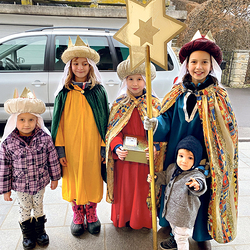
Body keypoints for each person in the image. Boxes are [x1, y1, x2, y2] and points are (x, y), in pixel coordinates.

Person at [144, 31, 238, 249]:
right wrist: (156, 124)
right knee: (177, 190)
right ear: (187, 65)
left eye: (204, 62)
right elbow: (166, 117)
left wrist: (219, 153)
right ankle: (176, 231)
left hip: (205, 156)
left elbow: (227, 131)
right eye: (194, 62)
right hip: (177, 154)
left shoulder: (219, 96)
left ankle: (201, 234)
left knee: (200, 191)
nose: (198, 67)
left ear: (212, 65)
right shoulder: (177, 92)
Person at [51, 36, 109, 237]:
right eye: (76, 63)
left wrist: (103, 147)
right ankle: (77, 214)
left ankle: (92, 213)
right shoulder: (64, 94)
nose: (80, 67)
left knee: (92, 178)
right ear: (70, 67)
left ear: (91, 66)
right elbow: (58, 125)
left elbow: (105, 122)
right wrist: (60, 150)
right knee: (74, 179)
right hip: (71, 148)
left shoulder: (98, 92)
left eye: (85, 64)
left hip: (93, 147)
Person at [105, 57, 165, 230]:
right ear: (125, 80)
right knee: (126, 190)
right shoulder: (119, 103)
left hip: (145, 159)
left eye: (139, 78)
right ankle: (123, 218)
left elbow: (162, 133)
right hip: (125, 159)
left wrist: (155, 148)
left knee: (142, 190)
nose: (135, 83)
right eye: (130, 79)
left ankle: (143, 220)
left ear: (145, 80)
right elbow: (113, 131)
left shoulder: (155, 104)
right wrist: (117, 147)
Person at [0, 88, 61, 250]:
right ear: (14, 121)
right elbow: (4, 167)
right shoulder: (8, 143)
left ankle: (40, 231)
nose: (26, 124)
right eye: (22, 120)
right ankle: (27, 234)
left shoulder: (44, 138)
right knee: (25, 209)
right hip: (21, 186)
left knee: (39, 206)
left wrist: (55, 178)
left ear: (37, 121)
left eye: (31, 120)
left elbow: (53, 159)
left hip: (40, 183)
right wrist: (5, 189)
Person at [148, 135, 207, 250]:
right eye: (181, 156)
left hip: (184, 219)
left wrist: (197, 185)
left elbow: (201, 184)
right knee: (176, 234)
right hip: (172, 214)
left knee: (181, 240)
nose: (184, 161)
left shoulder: (195, 175)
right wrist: (155, 177)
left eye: (190, 158)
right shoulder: (173, 168)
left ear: (197, 159)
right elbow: (165, 177)